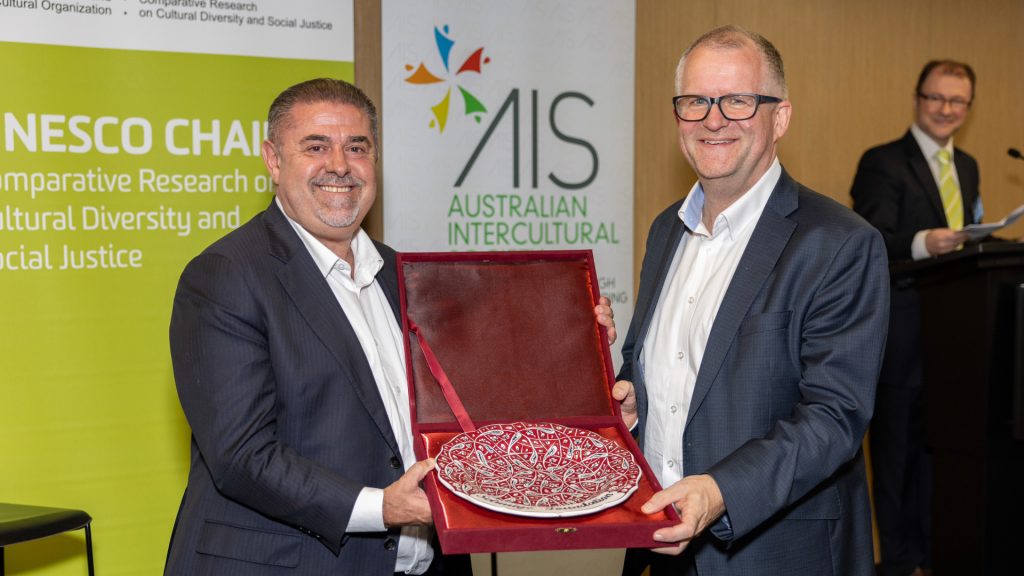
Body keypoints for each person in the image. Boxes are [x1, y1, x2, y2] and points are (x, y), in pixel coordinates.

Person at [164, 78, 617, 575]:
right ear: (273, 159)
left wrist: (579, 355)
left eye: (356, 147)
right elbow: (242, 455)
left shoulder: (404, 277)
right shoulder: (227, 276)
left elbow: (473, 410)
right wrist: (380, 508)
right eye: (316, 146)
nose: (339, 165)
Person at [612, 26, 889, 575]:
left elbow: (834, 415)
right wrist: (633, 400)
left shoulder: (839, 243)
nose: (713, 120)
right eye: (695, 102)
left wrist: (719, 492)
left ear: (779, 116)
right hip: (658, 544)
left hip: (775, 551)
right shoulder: (666, 229)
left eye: (738, 100)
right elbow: (671, 366)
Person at [850, 59, 979, 576]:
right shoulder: (883, 161)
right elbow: (869, 239)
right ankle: (899, 562)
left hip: (954, 331)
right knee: (897, 453)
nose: (946, 109)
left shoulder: (967, 164)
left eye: (957, 101)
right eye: (936, 98)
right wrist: (927, 242)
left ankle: (933, 552)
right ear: (917, 98)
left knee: (941, 450)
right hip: (901, 331)